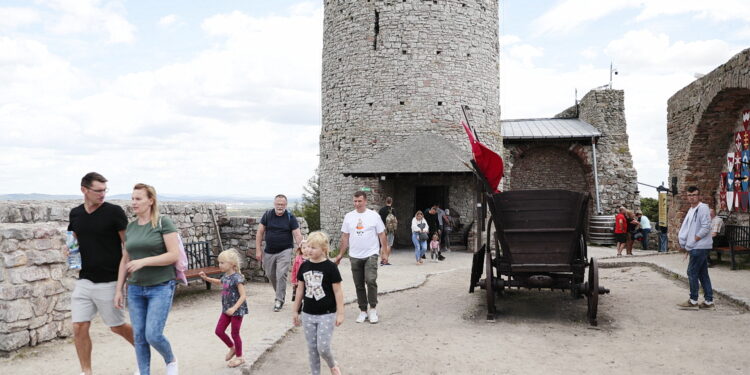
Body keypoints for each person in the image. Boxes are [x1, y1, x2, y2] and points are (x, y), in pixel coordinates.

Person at [68, 172, 134, 375]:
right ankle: (86, 371)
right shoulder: (75, 214)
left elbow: (129, 245)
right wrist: (70, 252)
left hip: (110, 280)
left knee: (117, 327)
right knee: (79, 326)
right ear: (84, 190)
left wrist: (122, 282)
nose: (102, 194)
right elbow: (73, 240)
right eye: (98, 190)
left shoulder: (114, 212)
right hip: (84, 280)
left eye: (105, 190)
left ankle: (144, 349)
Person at [115, 183, 180, 375]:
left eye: (138, 198)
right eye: (132, 198)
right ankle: (144, 371)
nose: (133, 202)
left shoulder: (163, 223)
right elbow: (125, 260)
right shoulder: (131, 227)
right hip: (135, 289)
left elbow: (173, 255)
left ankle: (171, 360)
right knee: (139, 336)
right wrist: (119, 289)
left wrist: (144, 262)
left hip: (161, 286)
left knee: (153, 334)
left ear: (150, 201)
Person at [293, 231, 344, 375]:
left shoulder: (331, 267)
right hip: (308, 314)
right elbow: (300, 290)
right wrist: (295, 311)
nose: (309, 250)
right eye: (308, 246)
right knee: (312, 348)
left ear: (324, 249)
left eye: (313, 247)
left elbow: (338, 292)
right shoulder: (304, 266)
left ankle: (333, 364)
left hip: (327, 314)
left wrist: (340, 313)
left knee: (323, 347)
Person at [335, 191, 387, 324]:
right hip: (354, 255)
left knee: (370, 280)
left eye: (359, 201)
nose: (357, 204)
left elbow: (382, 235)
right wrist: (341, 254)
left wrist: (384, 253)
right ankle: (363, 310)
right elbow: (345, 237)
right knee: (358, 284)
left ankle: (373, 308)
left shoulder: (373, 216)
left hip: (371, 253)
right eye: (355, 201)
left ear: (365, 201)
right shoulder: (349, 217)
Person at [255, 194, 304, 312]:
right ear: (274, 204)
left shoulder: (290, 217)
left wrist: (302, 249)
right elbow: (260, 232)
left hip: (285, 250)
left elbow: (297, 234)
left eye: (282, 204)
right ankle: (280, 294)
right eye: (278, 204)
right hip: (269, 251)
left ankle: (279, 300)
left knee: (281, 274)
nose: (280, 206)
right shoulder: (267, 215)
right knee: (270, 274)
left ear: (286, 205)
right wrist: (258, 250)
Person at [199, 251, 248, 368]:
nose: (219, 265)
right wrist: (206, 278)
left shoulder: (237, 278)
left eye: (222, 263)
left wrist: (234, 308)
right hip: (226, 310)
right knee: (219, 331)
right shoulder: (225, 276)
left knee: (235, 333)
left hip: (237, 311)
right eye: (219, 263)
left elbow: (243, 296)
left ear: (231, 264)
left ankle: (240, 357)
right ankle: (232, 348)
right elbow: (219, 282)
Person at [676, 186, 715, 310]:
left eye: (694, 195)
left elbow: (706, 227)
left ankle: (693, 301)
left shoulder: (702, 208)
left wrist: (693, 241)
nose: (692, 197)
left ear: (699, 196)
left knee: (692, 272)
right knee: (702, 274)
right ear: (687, 196)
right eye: (689, 195)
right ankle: (709, 301)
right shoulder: (692, 209)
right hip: (697, 246)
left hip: (700, 246)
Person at [377, 197, 396, 266]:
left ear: (385, 201)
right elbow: (395, 221)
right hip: (390, 230)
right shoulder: (393, 210)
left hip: (382, 229)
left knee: (382, 244)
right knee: (388, 245)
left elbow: (378, 220)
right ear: (391, 202)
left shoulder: (381, 210)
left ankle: (382, 260)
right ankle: (386, 260)